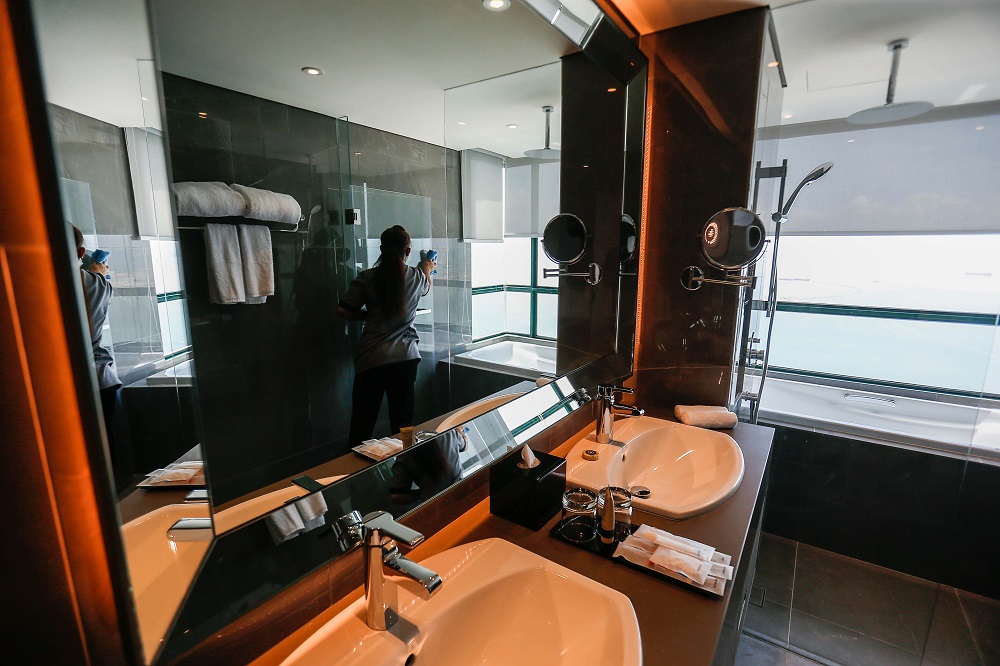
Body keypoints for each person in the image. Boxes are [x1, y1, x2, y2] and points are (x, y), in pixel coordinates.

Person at [338, 225, 436, 447]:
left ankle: (356, 476)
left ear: (381, 249)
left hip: (372, 359)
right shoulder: (417, 277)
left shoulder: (367, 277)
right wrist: (427, 268)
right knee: (403, 425)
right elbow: (426, 286)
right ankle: (403, 471)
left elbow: (343, 310)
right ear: (408, 251)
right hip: (405, 359)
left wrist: (370, 315)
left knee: (363, 424)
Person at [72, 225, 122, 455]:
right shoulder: (97, 283)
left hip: (65, 385)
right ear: (81, 253)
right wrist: (98, 272)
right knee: (101, 451)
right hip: (99, 379)